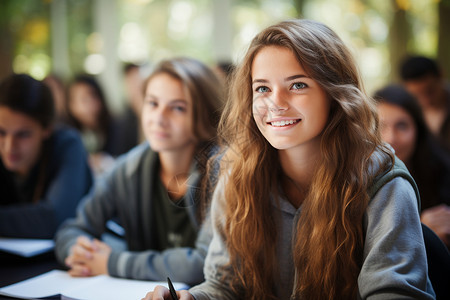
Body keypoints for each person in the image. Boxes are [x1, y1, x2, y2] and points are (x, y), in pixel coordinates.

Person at [144, 19, 434, 300]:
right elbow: (225, 287)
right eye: (263, 88)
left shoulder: (383, 181)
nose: (276, 103)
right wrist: (189, 298)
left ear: (335, 94)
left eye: (297, 85)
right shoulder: (237, 173)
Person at [54, 57, 223, 285]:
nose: (159, 119)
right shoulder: (128, 168)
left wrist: (111, 263)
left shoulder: (223, 172)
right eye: (153, 103)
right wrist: (78, 251)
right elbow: (72, 230)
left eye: (178, 108)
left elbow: (205, 264)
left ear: (204, 115)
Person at [0, 73, 92, 238]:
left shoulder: (68, 145)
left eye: (23, 134)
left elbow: (56, 217)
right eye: (1, 132)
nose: (9, 147)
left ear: (47, 130)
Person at [375, 84, 450, 248]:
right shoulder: (354, 183)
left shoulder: (443, 173)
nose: (390, 138)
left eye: (401, 125)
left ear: (418, 130)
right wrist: (421, 232)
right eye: (381, 126)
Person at [66, 75, 119, 175]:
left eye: (93, 96)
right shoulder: (68, 136)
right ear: (71, 104)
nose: (90, 104)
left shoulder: (117, 128)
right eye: (83, 99)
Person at [400, 55, 450, 149]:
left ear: (441, 75)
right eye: (416, 95)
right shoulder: (407, 111)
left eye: (430, 91)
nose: (426, 101)